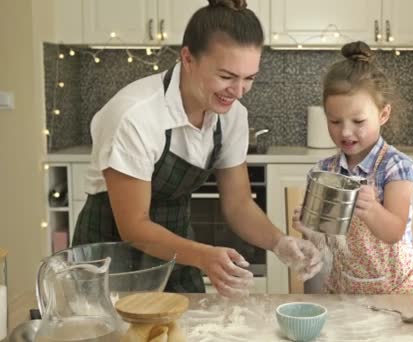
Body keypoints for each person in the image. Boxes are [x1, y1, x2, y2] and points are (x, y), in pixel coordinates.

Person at [72, 0, 321, 297]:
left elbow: (238, 204)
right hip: (112, 257)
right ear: (188, 58)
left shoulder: (231, 117)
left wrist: (280, 243)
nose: (238, 91)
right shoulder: (135, 116)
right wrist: (204, 256)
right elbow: (134, 227)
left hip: (178, 251)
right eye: (226, 76)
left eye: (249, 78)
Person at [293, 41, 413, 295]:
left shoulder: (396, 168)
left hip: (399, 292)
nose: (345, 132)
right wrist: (310, 229)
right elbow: (328, 245)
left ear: (383, 114)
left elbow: (394, 232)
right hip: (347, 291)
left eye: (358, 121)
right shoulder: (325, 171)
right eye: (334, 121)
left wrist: (373, 210)